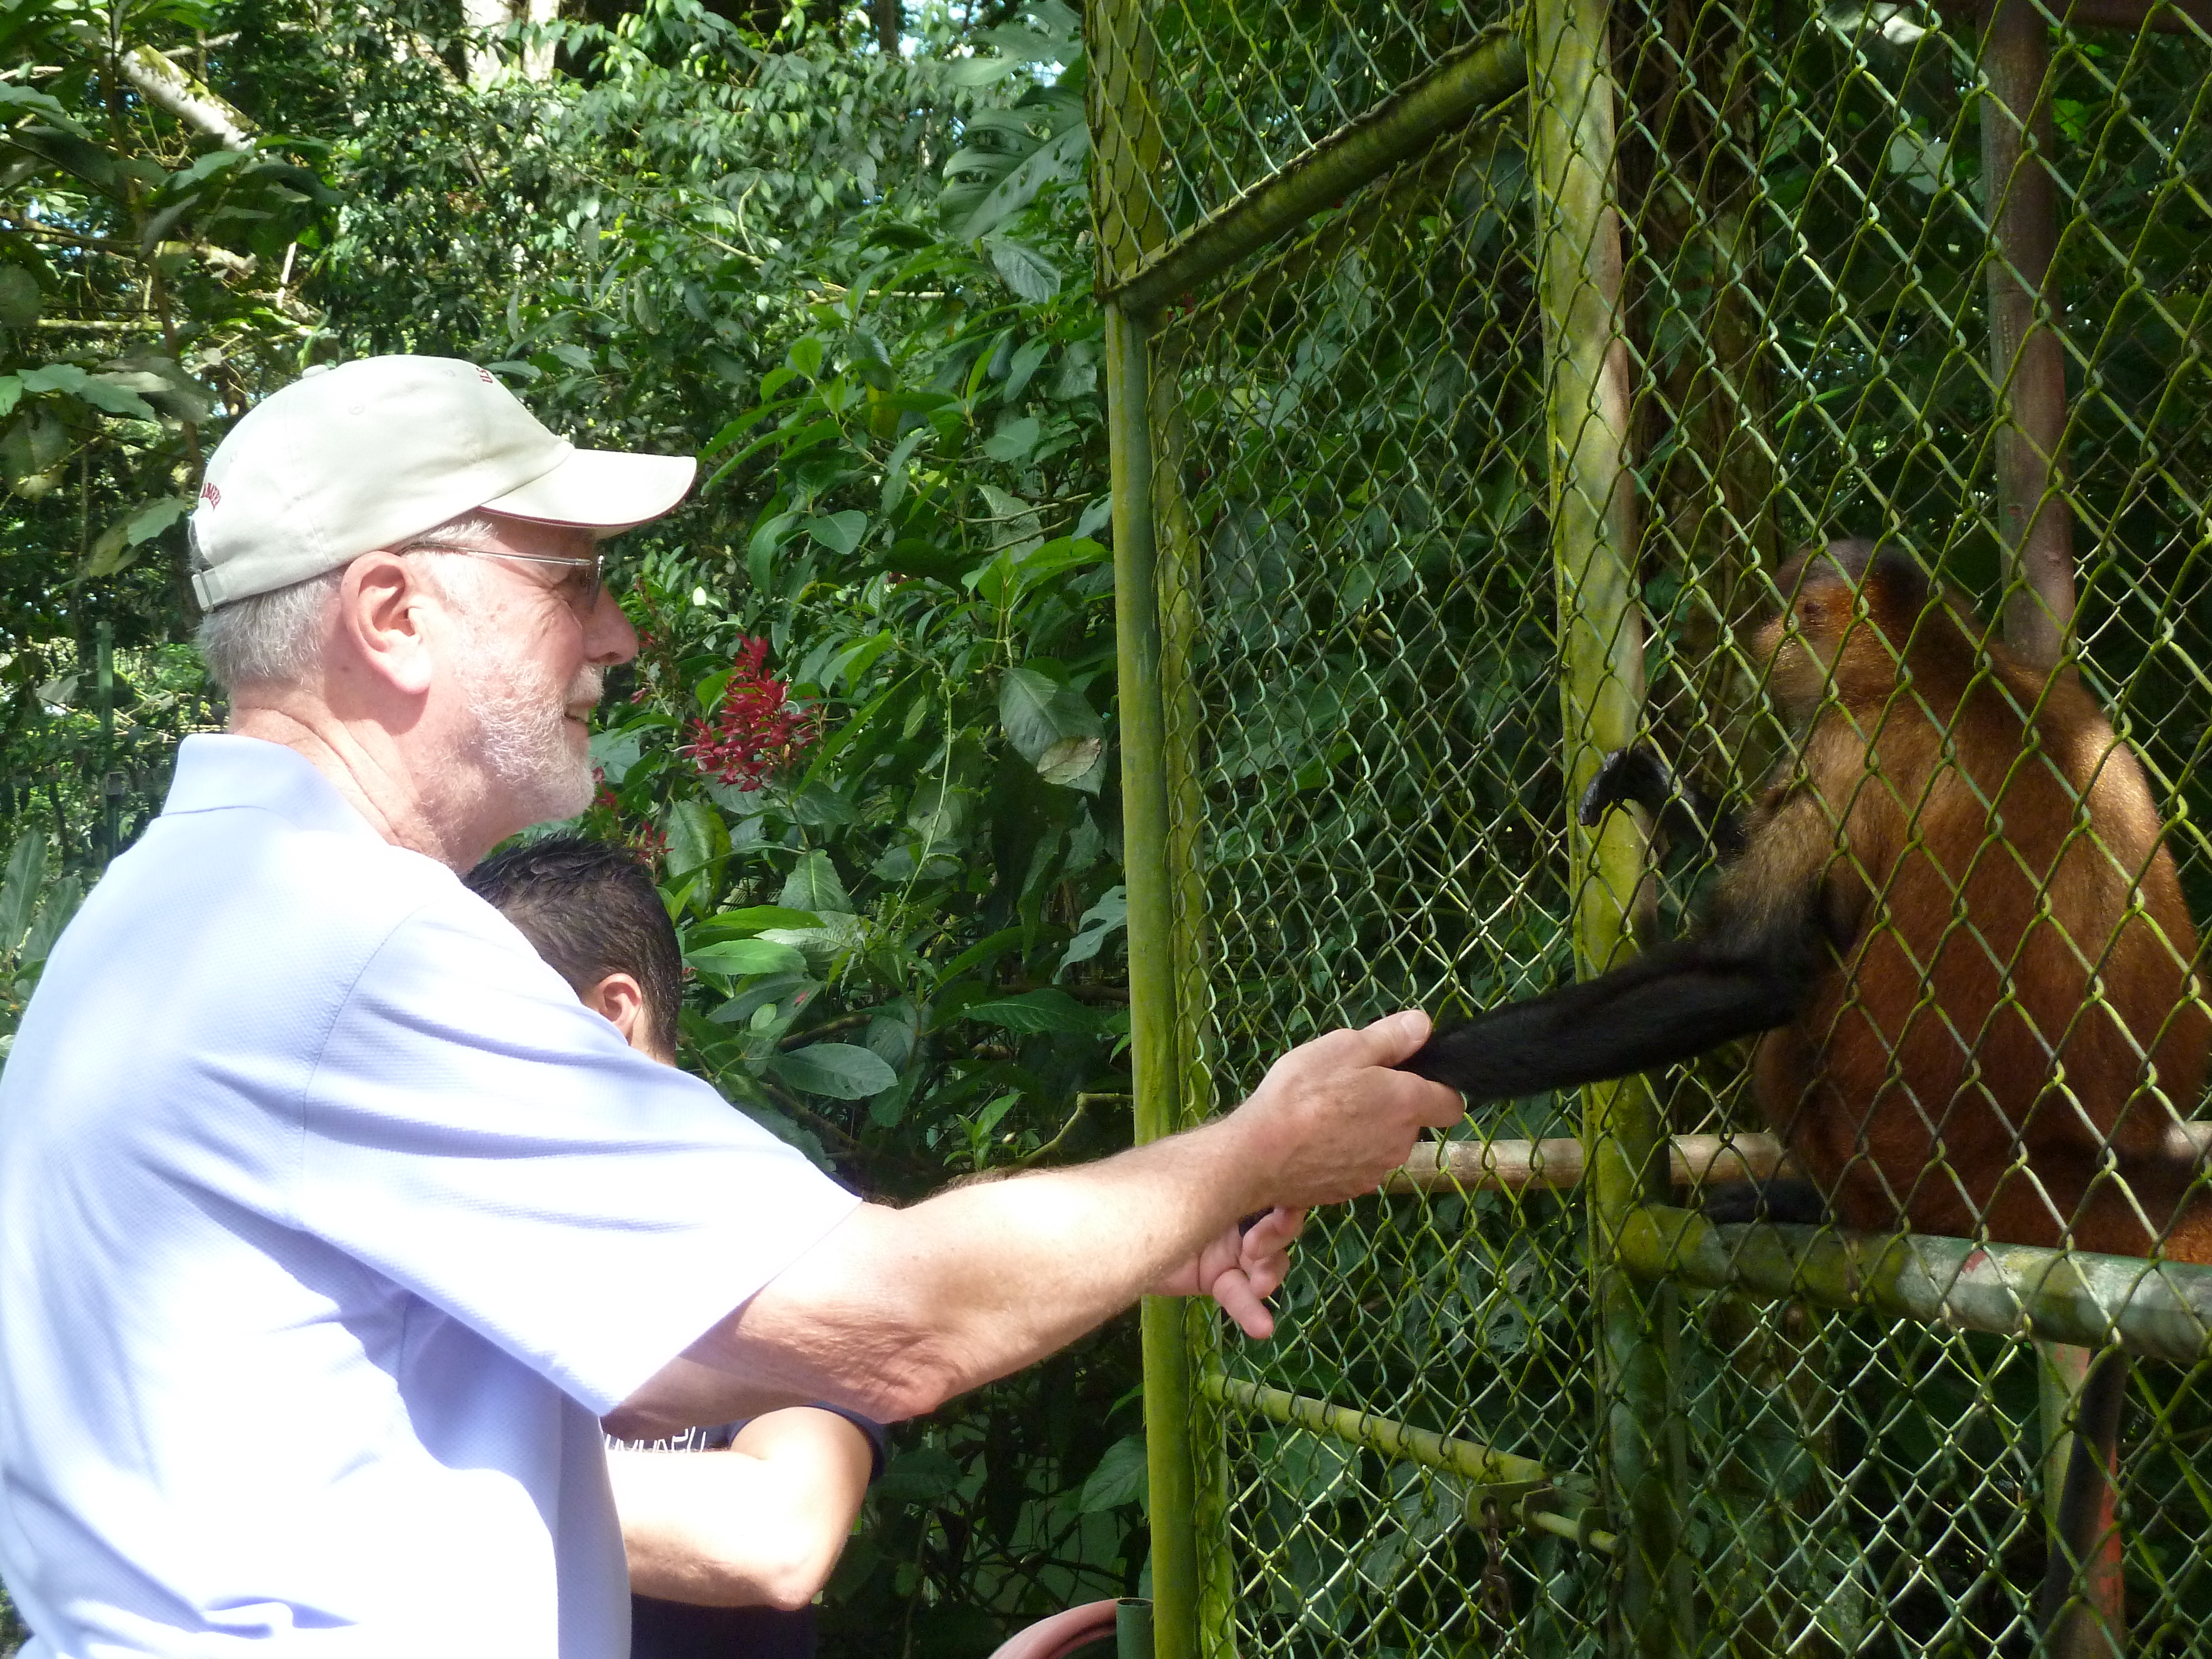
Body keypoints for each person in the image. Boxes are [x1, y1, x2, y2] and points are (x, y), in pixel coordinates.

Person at [0, 354, 1463, 1658]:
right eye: (571, 578)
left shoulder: (167, 918)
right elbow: (890, 1328)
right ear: (392, 614)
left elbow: (677, 1352)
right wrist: (1261, 1150)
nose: (618, 635)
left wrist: (1132, 1228)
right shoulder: (347, 943)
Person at [466, 836, 881, 1658]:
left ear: (609, 1014)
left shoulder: (784, 1227)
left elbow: (777, 1534)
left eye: (477, 1025)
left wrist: (414, 1478)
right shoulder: (449, 1226)